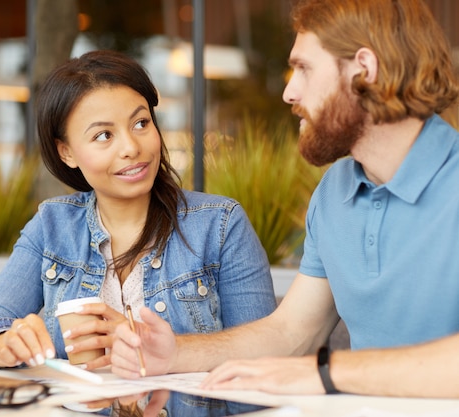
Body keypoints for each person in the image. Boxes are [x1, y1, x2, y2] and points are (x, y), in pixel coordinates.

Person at [110, 0, 459, 399]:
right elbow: (293, 331)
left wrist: (328, 372)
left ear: (364, 69)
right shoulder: (335, 191)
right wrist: (174, 354)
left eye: (304, 69)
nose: (289, 92)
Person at [0, 50, 275, 374]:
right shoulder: (53, 226)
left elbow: (263, 362)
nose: (131, 148)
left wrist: (149, 348)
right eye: (104, 135)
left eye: (141, 123)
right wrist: (4, 343)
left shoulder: (220, 226)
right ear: (66, 152)